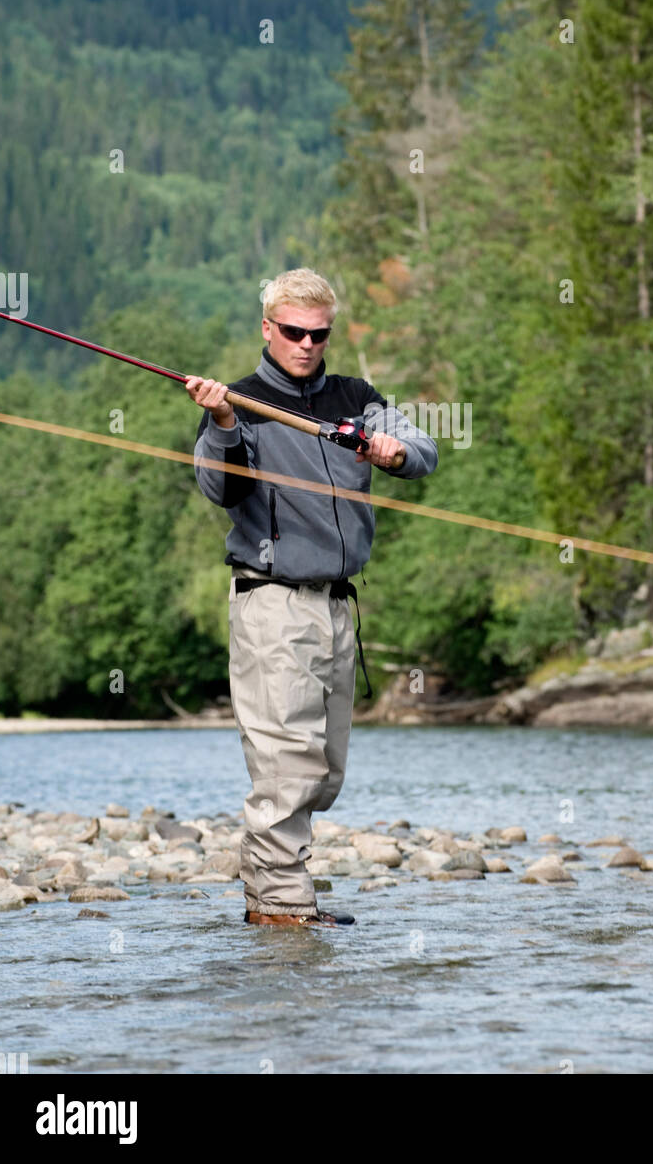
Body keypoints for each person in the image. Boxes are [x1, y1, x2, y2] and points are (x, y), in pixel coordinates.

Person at [187, 268, 438, 927]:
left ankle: (273, 901)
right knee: (284, 762)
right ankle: (280, 909)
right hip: (273, 602)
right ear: (267, 328)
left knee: (324, 772)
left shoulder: (357, 396)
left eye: (318, 334)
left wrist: (393, 450)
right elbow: (219, 489)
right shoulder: (237, 401)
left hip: (335, 604)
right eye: (293, 332)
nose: (305, 344)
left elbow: (425, 450)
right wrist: (219, 422)